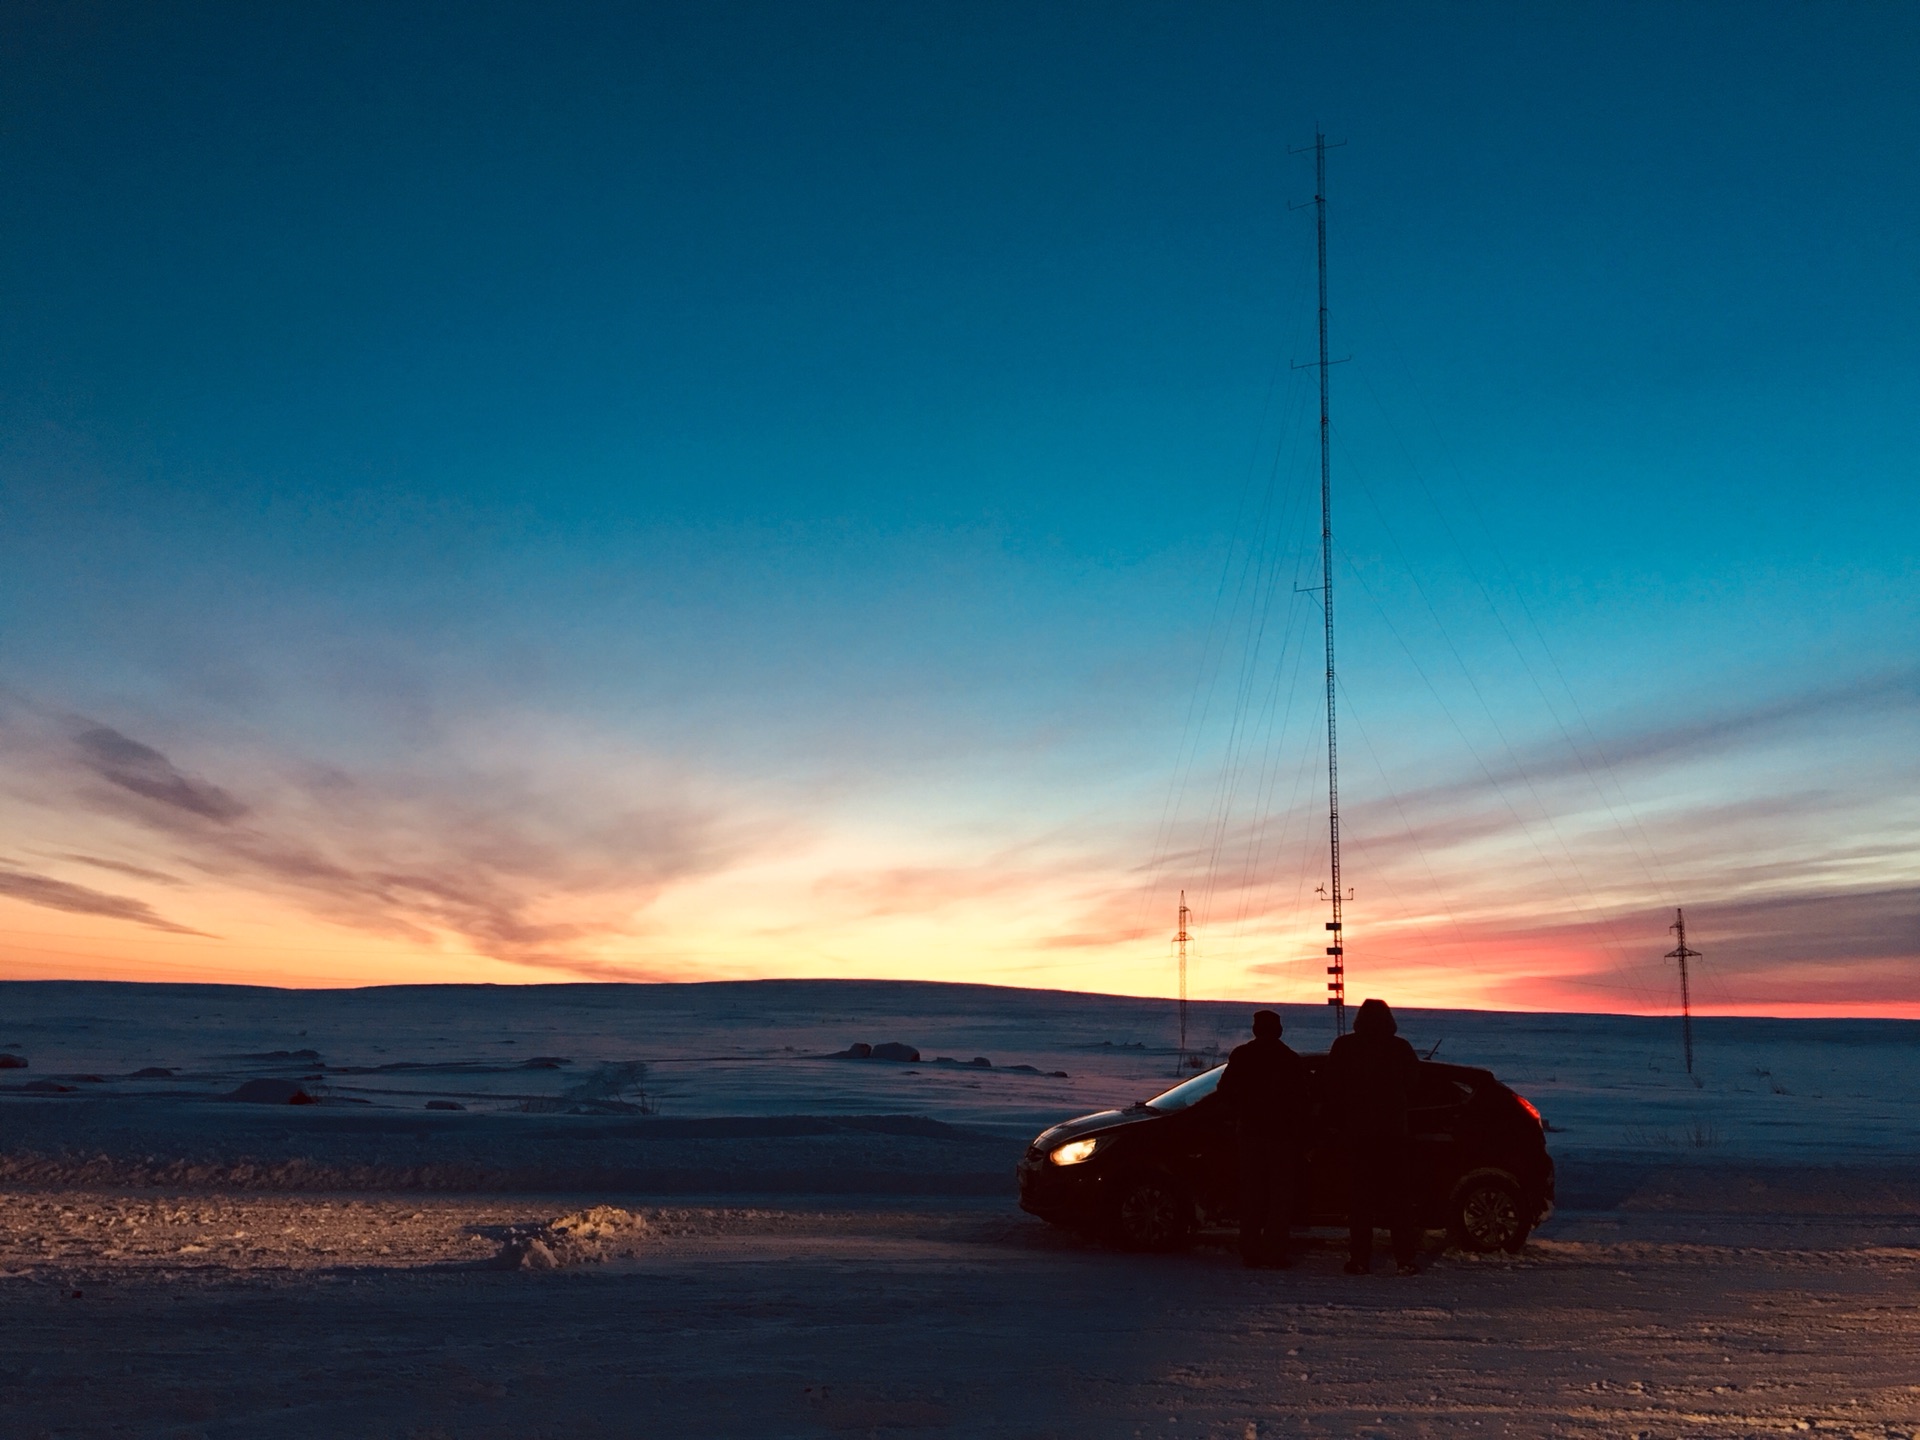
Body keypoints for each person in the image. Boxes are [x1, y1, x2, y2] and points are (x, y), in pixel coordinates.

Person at [1327, 997, 1421, 1275]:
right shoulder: (1399, 1048)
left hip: (1358, 1136)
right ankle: (1404, 1258)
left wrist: (1336, 1122)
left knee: (1360, 1201)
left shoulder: (1345, 1047)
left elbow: (1331, 1088)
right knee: (1398, 1201)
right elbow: (1415, 1084)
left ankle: (1360, 1258)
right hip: (1393, 1135)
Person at [1215, 1009, 1307, 1268]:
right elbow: (1302, 1100)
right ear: (1278, 1030)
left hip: (1251, 1135)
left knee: (1252, 1194)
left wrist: (1239, 1114)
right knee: (1279, 1197)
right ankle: (1274, 1252)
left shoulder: (1243, 1056)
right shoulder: (1289, 1059)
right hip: (1282, 1137)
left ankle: (1250, 1251)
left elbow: (1225, 1092)